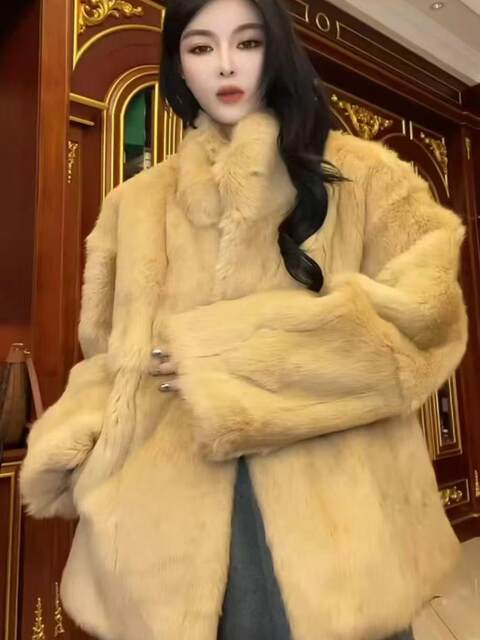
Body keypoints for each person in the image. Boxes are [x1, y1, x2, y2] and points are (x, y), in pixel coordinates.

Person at [20, 0, 468, 638]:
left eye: (248, 43)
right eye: (201, 48)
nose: (225, 65)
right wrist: (79, 445)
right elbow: (109, 356)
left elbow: (427, 322)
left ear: (276, 51)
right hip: (163, 523)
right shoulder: (134, 203)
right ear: (179, 65)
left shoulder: (365, 177)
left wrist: (232, 360)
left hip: (337, 524)